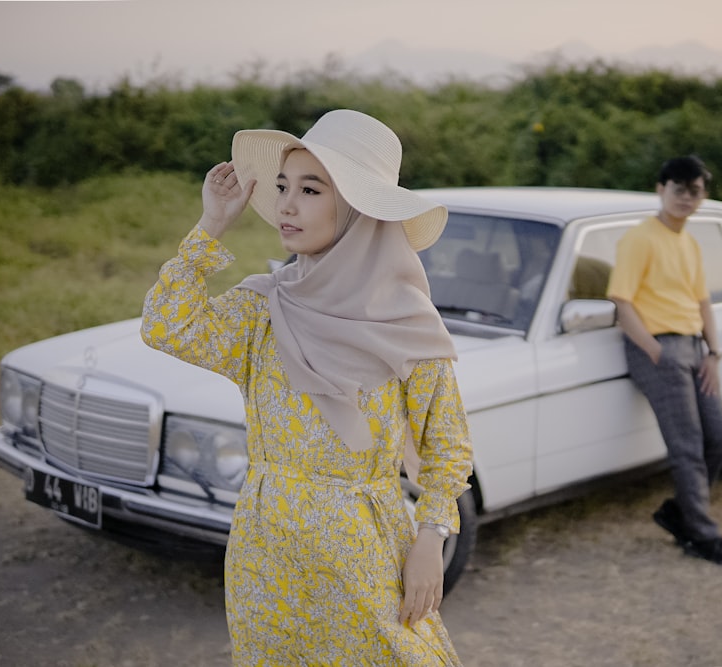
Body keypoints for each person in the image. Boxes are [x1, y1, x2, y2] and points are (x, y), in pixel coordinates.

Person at [141, 109, 473, 665]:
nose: (286, 205)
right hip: (265, 549)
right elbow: (166, 326)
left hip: (363, 548)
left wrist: (430, 540)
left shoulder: (406, 324)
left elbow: (448, 446)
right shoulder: (264, 307)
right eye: (281, 187)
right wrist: (211, 227)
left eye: (310, 189)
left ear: (356, 207)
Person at [605, 155, 722, 567]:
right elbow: (621, 301)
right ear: (660, 189)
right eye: (678, 189)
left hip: (695, 348)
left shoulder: (689, 242)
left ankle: (681, 512)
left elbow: (702, 301)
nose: (686, 197)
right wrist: (654, 350)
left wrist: (714, 354)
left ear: (703, 195)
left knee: (721, 437)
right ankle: (702, 536)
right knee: (687, 446)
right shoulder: (640, 238)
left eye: (695, 190)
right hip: (657, 348)